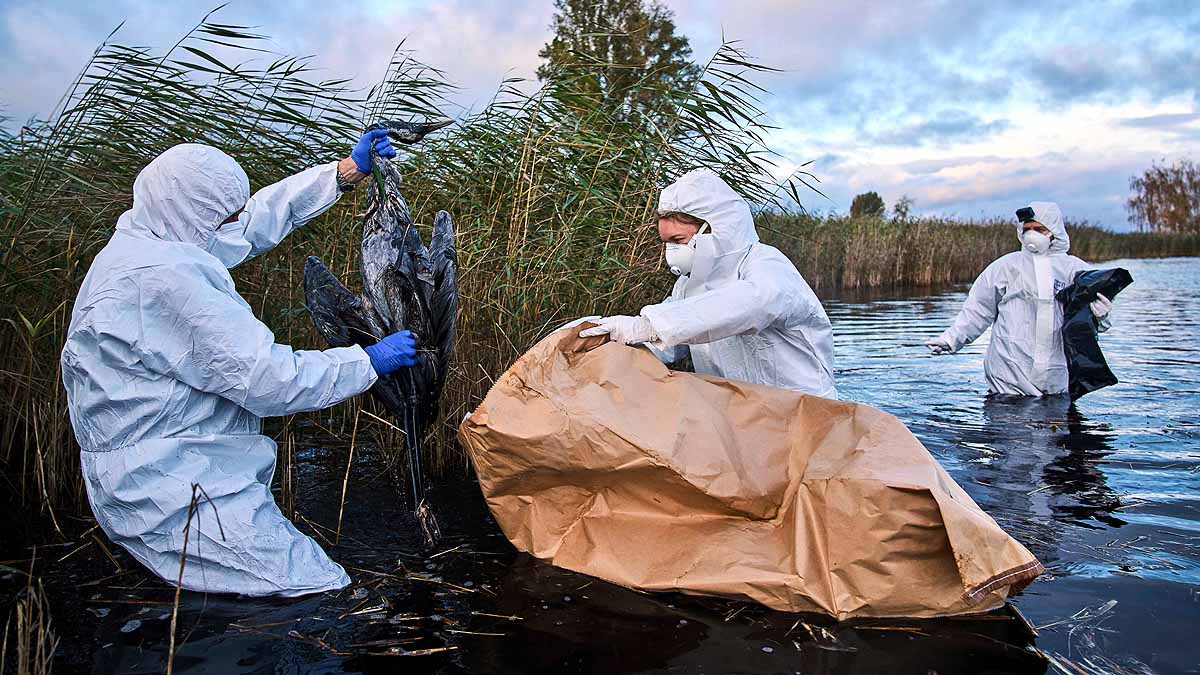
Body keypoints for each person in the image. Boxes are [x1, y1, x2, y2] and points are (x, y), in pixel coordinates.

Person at [60, 132, 420, 597]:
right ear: (192, 212)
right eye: (221, 215)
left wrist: (343, 173)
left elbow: (249, 225)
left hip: (171, 467)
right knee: (314, 587)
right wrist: (368, 361)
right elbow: (268, 381)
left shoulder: (150, 238)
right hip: (173, 487)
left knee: (219, 595)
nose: (232, 223)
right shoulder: (164, 279)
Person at [580, 169, 838, 399]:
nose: (671, 250)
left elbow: (754, 303)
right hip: (745, 420)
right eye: (667, 242)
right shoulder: (688, 285)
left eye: (678, 240)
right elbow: (669, 344)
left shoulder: (766, 265)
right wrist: (607, 341)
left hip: (806, 416)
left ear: (713, 228)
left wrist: (649, 325)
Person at [925, 201, 1113, 396]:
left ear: (1054, 230)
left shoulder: (1074, 269)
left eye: (1039, 229)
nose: (1031, 234)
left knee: (1056, 423)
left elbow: (1097, 324)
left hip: (1057, 379)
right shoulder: (1006, 266)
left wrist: (1102, 316)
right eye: (1027, 228)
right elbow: (978, 310)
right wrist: (950, 340)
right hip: (1008, 378)